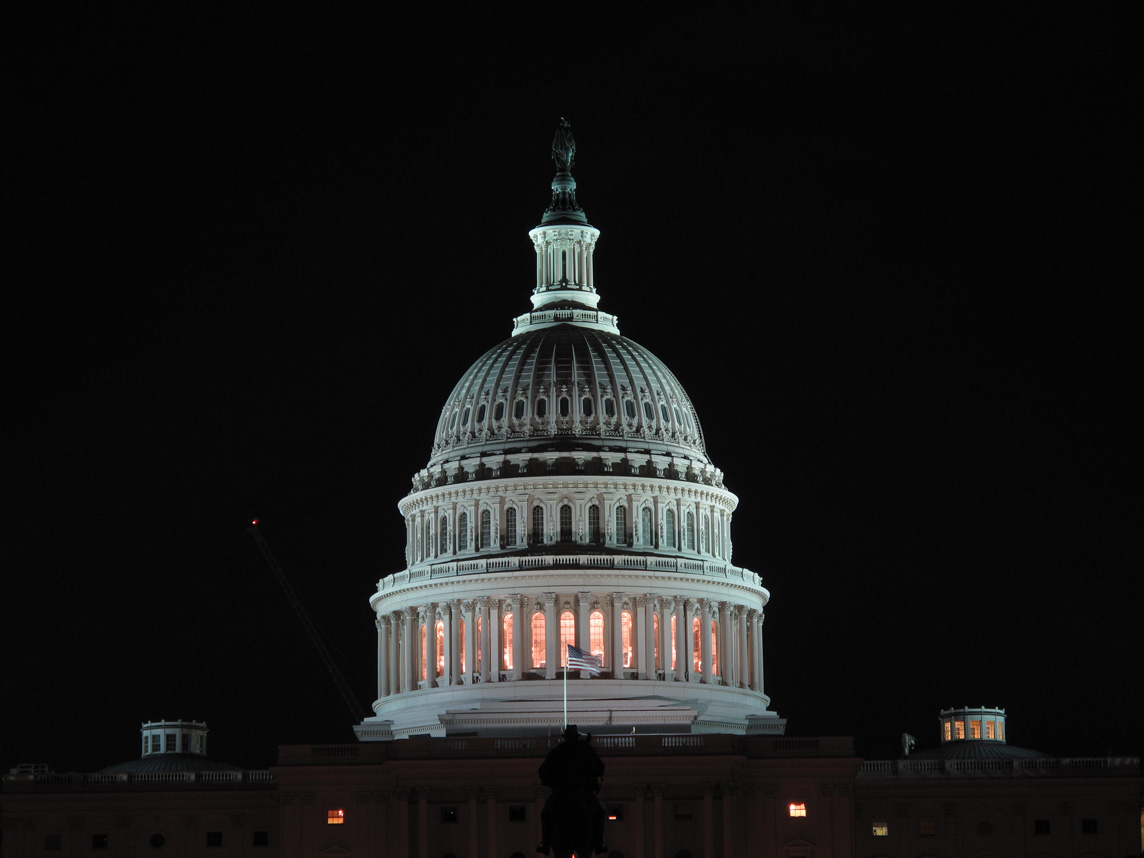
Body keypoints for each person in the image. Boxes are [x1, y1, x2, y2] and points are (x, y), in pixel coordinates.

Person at [537, 724, 606, 855]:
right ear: (577, 737)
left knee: (546, 813)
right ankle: (598, 844)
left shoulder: (559, 751)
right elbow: (600, 768)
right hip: (582, 791)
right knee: (599, 813)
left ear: (566, 737)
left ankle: (546, 844)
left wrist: (552, 781)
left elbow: (542, 771)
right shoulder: (584, 749)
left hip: (562, 792)